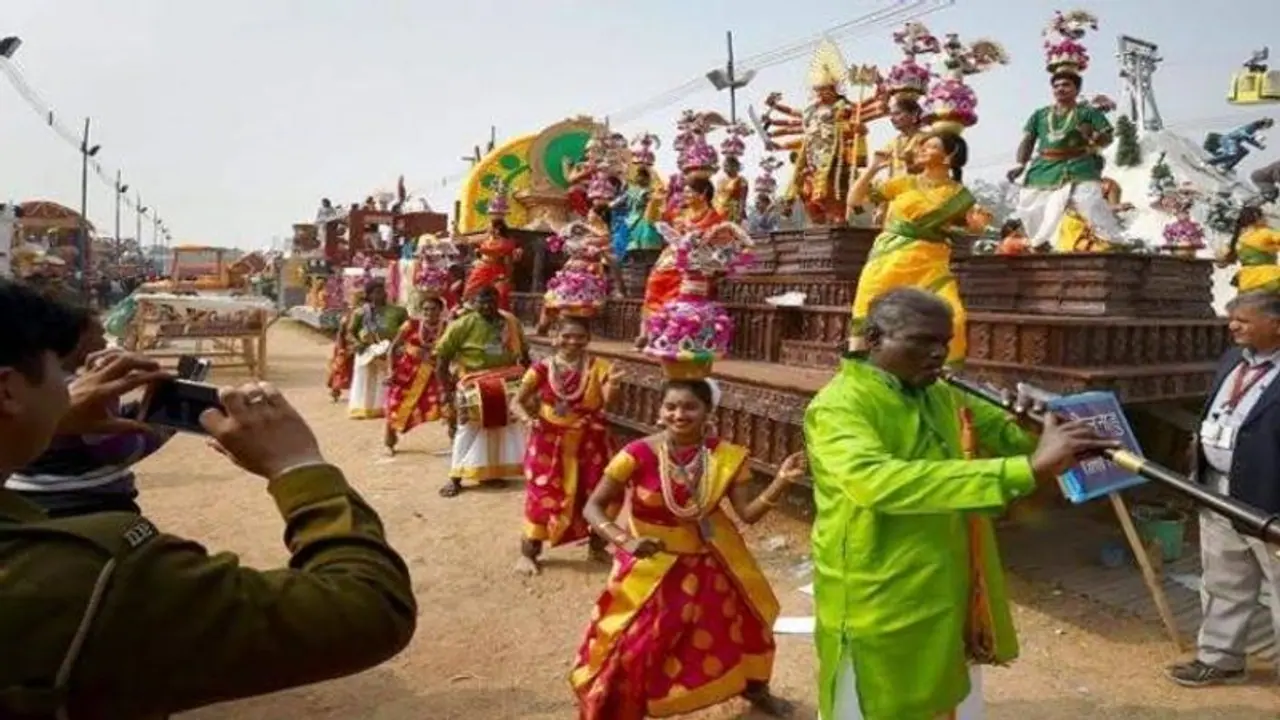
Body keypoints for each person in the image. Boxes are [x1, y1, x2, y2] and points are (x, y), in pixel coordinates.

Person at [0, 279, 416, 718]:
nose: (72, 388)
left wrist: (49, 424)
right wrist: (299, 467)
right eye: (56, 372)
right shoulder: (96, 569)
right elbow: (368, 608)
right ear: (8, 391)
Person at [805, 287, 1119, 719]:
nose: (938, 354)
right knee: (876, 699)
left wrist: (1039, 425)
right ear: (875, 339)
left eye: (944, 342)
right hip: (877, 585)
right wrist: (1027, 468)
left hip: (946, 571)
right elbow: (875, 482)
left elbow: (1009, 435)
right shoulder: (839, 406)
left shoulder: (942, 391)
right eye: (922, 341)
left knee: (944, 689)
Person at [570, 378, 807, 719]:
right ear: (660, 411)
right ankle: (613, 706)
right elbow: (593, 507)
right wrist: (626, 541)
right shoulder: (636, 454)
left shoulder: (724, 457)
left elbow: (748, 515)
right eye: (671, 406)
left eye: (690, 407)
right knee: (636, 642)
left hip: (709, 562)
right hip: (652, 567)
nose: (679, 414)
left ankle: (756, 689)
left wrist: (782, 480)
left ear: (708, 412)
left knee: (744, 626)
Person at [1167, 290, 1280, 687]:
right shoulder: (1234, 359)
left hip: (1269, 501)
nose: (1233, 326)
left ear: (1276, 326)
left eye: (1244, 321)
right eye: (1234, 318)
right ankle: (1221, 658)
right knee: (1222, 580)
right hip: (1217, 491)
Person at [5, 307, 174, 517]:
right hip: (91, 502)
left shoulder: (34, 390)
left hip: (27, 495)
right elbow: (118, 450)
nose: (105, 342)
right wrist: (167, 425)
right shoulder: (83, 394)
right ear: (80, 340)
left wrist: (135, 410)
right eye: (100, 334)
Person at [847, 131, 991, 364]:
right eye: (921, 146)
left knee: (954, 318)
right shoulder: (904, 182)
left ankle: (945, 384)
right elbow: (854, 200)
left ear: (949, 155)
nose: (922, 150)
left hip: (931, 265)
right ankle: (854, 373)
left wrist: (977, 226)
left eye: (930, 146)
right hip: (888, 261)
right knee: (865, 316)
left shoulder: (959, 196)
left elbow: (974, 227)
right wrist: (873, 168)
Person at [512, 316, 624, 575]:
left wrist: (615, 385)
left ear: (588, 339)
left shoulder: (600, 367)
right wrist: (528, 419)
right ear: (555, 336)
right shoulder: (541, 369)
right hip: (548, 443)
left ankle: (597, 547)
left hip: (590, 442)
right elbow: (516, 401)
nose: (573, 342)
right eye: (566, 336)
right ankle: (529, 553)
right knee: (543, 497)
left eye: (580, 337)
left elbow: (609, 403)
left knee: (598, 493)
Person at [1008, 23, 1126, 249]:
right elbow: (1028, 140)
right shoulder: (1040, 114)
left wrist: (1091, 140)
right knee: (1028, 206)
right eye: (1057, 85)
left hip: (1079, 164)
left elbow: (1107, 136)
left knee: (1090, 204)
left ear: (1076, 89)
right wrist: (1020, 163)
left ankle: (1112, 244)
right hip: (1044, 165)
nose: (1061, 89)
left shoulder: (1087, 112)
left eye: (1066, 85)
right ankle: (1039, 244)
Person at [435, 285, 530, 498]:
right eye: (482, 302)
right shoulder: (462, 325)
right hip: (474, 384)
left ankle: (492, 472)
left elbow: (524, 354)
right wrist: (446, 391)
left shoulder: (510, 323)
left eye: (492, 301)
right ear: (473, 303)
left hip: (507, 381)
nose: (487, 306)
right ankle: (455, 476)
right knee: (467, 429)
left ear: (498, 301)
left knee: (504, 430)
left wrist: (529, 382)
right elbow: (442, 359)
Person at [383, 293, 446, 455]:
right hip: (406, 374)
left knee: (449, 408)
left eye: (433, 309)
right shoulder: (410, 325)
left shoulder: (448, 328)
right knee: (394, 408)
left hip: (435, 375)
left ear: (440, 310)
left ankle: (457, 446)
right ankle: (389, 443)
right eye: (425, 309)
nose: (429, 313)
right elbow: (392, 349)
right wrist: (390, 372)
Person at [346, 279, 408, 420]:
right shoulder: (360, 313)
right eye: (377, 292)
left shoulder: (398, 311)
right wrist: (357, 343)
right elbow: (349, 332)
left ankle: (388, 407)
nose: (382, 294)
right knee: (366, 380)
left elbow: (407, 330)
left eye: (383, 291)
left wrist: (401, 345)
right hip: (367, 352)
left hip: (390, 352)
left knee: (387, 380)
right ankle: (364, 409)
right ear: (369, 295)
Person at [1217, 205, 1280, 293]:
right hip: (1269, 279)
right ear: (1257, 218)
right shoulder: (1265, 233)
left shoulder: (1236, 240)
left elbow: (1220, 264)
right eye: (1264, 216)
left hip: (1246, 282)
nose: (1267, 219)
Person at [326, 287, 362, 403]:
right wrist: (341, 346)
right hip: (346, 345)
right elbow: (341, 331)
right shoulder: (349, 314)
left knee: (350, 369)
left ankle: (351, 392)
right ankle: (335, 390)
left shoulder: (360, 313)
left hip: (352, 345)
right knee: (341, 369)